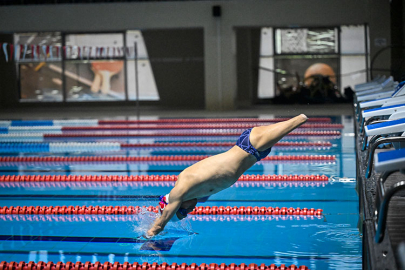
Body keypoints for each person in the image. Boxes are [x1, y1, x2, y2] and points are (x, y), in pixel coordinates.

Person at [145, 114, 308, 238]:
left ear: (177, 204)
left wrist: (152, 232)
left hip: (251, 144)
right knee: (295, 122)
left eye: (185, 210)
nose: (190, 210)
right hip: (255, 152)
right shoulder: (198, 194)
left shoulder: (181, 189)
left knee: (300, 119)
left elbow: (161, 221)